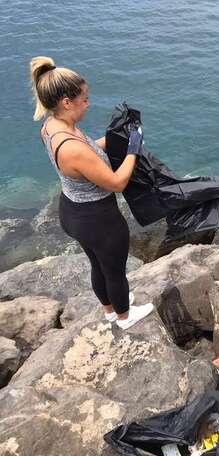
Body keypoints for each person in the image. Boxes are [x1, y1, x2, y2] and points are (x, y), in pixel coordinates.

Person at [30, 56, 153, 329]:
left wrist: (115, 139)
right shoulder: (72, 148)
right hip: (98, 220)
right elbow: (117, 183)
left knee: (98, 264)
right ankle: (124, 317)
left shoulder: (51, 127)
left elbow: (89, 153)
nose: (88, 103)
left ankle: (110, 310)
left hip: (73, 212)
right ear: (66, 102)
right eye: (84, 99)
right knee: (115, 270)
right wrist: (133, 149)